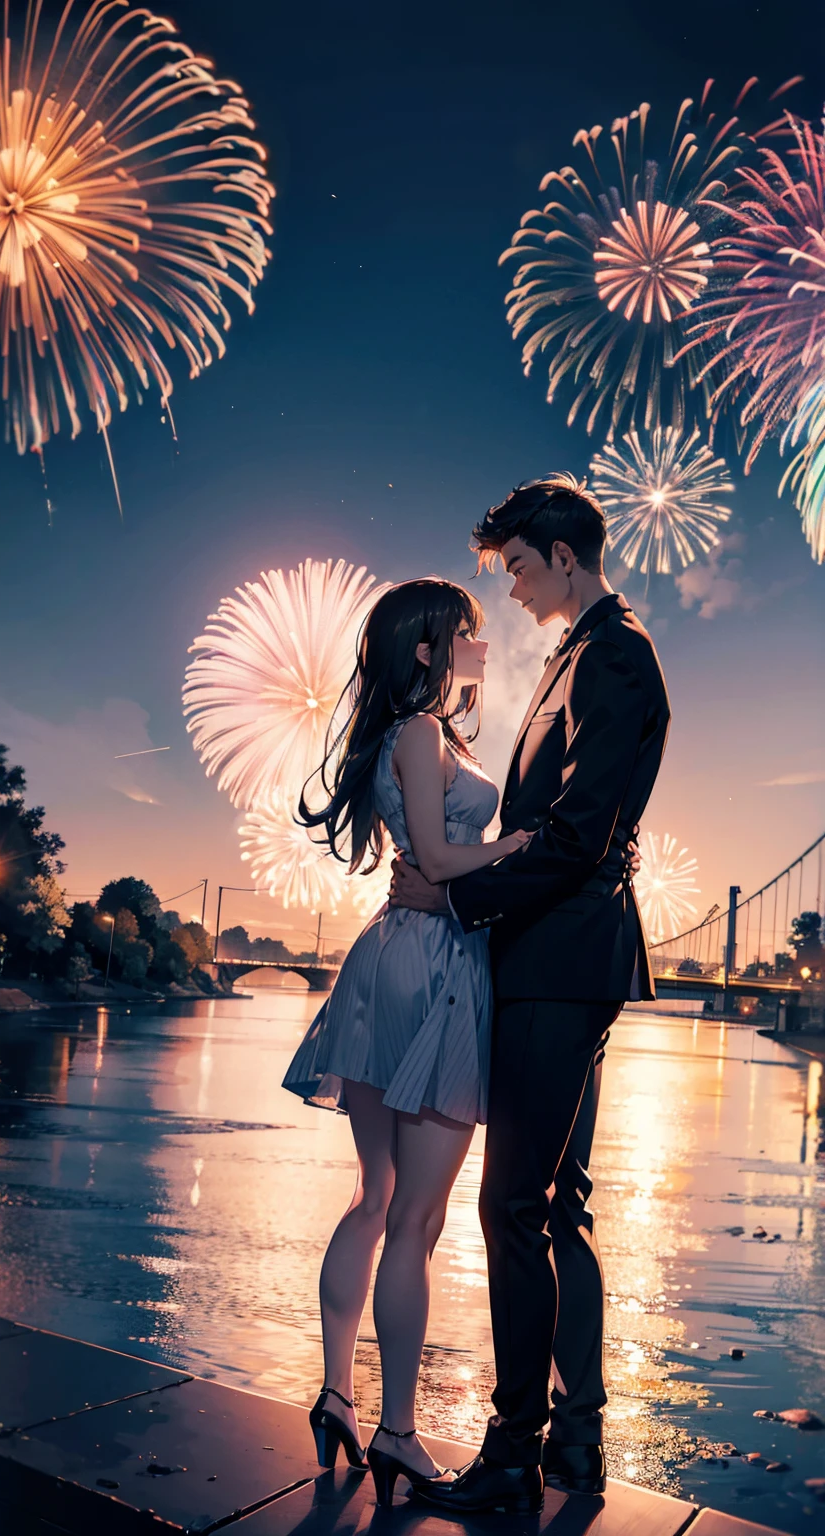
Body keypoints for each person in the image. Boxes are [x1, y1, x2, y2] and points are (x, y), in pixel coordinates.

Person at [391, 474, 671, 1515]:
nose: (506, 591)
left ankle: (513, 1452)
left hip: (558, 961)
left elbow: (574, 836)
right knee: (561, 1207)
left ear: (561, 553)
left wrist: (455, 899)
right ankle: (576, 1446)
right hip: (563, 956)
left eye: (514, 568)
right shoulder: (580, 654)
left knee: (509, 1203)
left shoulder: (613, 656)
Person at [282, 578, 534, 1507]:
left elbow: (417, 858)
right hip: (433, 964)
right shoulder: (424, 734)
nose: (481, 644)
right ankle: (395, 1431)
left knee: (372, 1195)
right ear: (427, 650)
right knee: (417, 1224)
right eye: (466, 635)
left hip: (387, 959)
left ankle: (338, 1395)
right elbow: (434, 860)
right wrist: (527, 845)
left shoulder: (410, 733)